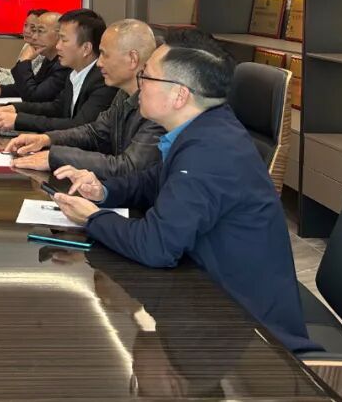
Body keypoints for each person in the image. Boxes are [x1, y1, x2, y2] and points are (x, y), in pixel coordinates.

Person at [51, 29, 316, 354]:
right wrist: (103, 190)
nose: (140, 83)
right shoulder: (203, 129)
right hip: (209, 297)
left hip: (249, 336)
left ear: (179, 95)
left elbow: (156, 246)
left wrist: (93, 218)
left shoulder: (210, 151)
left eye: (147, 76)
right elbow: (152, 181)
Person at [2, 19, 164, 176]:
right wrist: (46, 139)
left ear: (133, 59)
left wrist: (56, 157)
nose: (99, 63)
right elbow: (95, 132)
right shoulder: (123, 94)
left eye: (104, 55)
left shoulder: (158, 107)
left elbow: (128, 167)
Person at [0, 9, 119, 133]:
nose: (58, 46)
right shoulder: (75, 73)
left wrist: (19, 120)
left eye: (64, 40)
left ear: (86, 48)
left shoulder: (103, 80)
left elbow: (79, 126)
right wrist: (15, 108)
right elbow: (57, 107)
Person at [0, 11, 69, 102]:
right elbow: (32, 86)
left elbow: (34, 97)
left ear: (59, 35)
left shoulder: (64, 65)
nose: (34, 37)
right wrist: (1, 90)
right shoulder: (48, 60)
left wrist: (25, 60)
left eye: (40, 31)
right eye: (35, 31)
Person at [0, 8, 48, 87]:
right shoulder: (27, 45)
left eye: (33, 28)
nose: (26, 30)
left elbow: (18, 82)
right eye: (25, 25)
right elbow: (16, 72)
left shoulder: (44, 53)